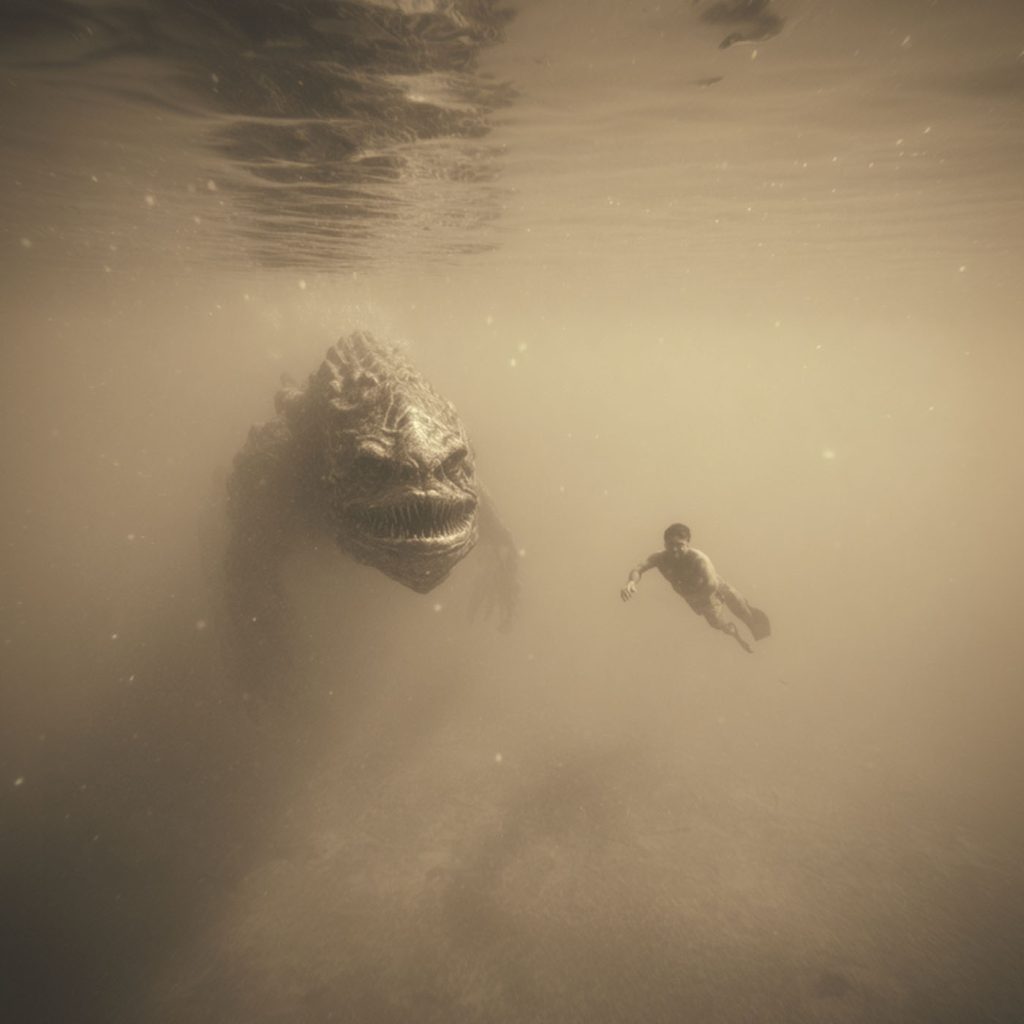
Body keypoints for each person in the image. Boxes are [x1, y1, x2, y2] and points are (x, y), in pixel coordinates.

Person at [620, 523, 771, 653]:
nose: (675, 550)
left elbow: (711, 584)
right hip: (698, 600)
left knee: (742, 608)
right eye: (670, 545)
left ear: (688, 544)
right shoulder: (659, 558)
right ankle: (738, 638)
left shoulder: (699, 558)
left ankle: (761, 636)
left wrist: (708, 598)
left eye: (679, 545)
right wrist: (631, 582)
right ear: (665, 545)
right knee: (719, 624)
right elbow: (638, 569)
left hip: (714, 588)